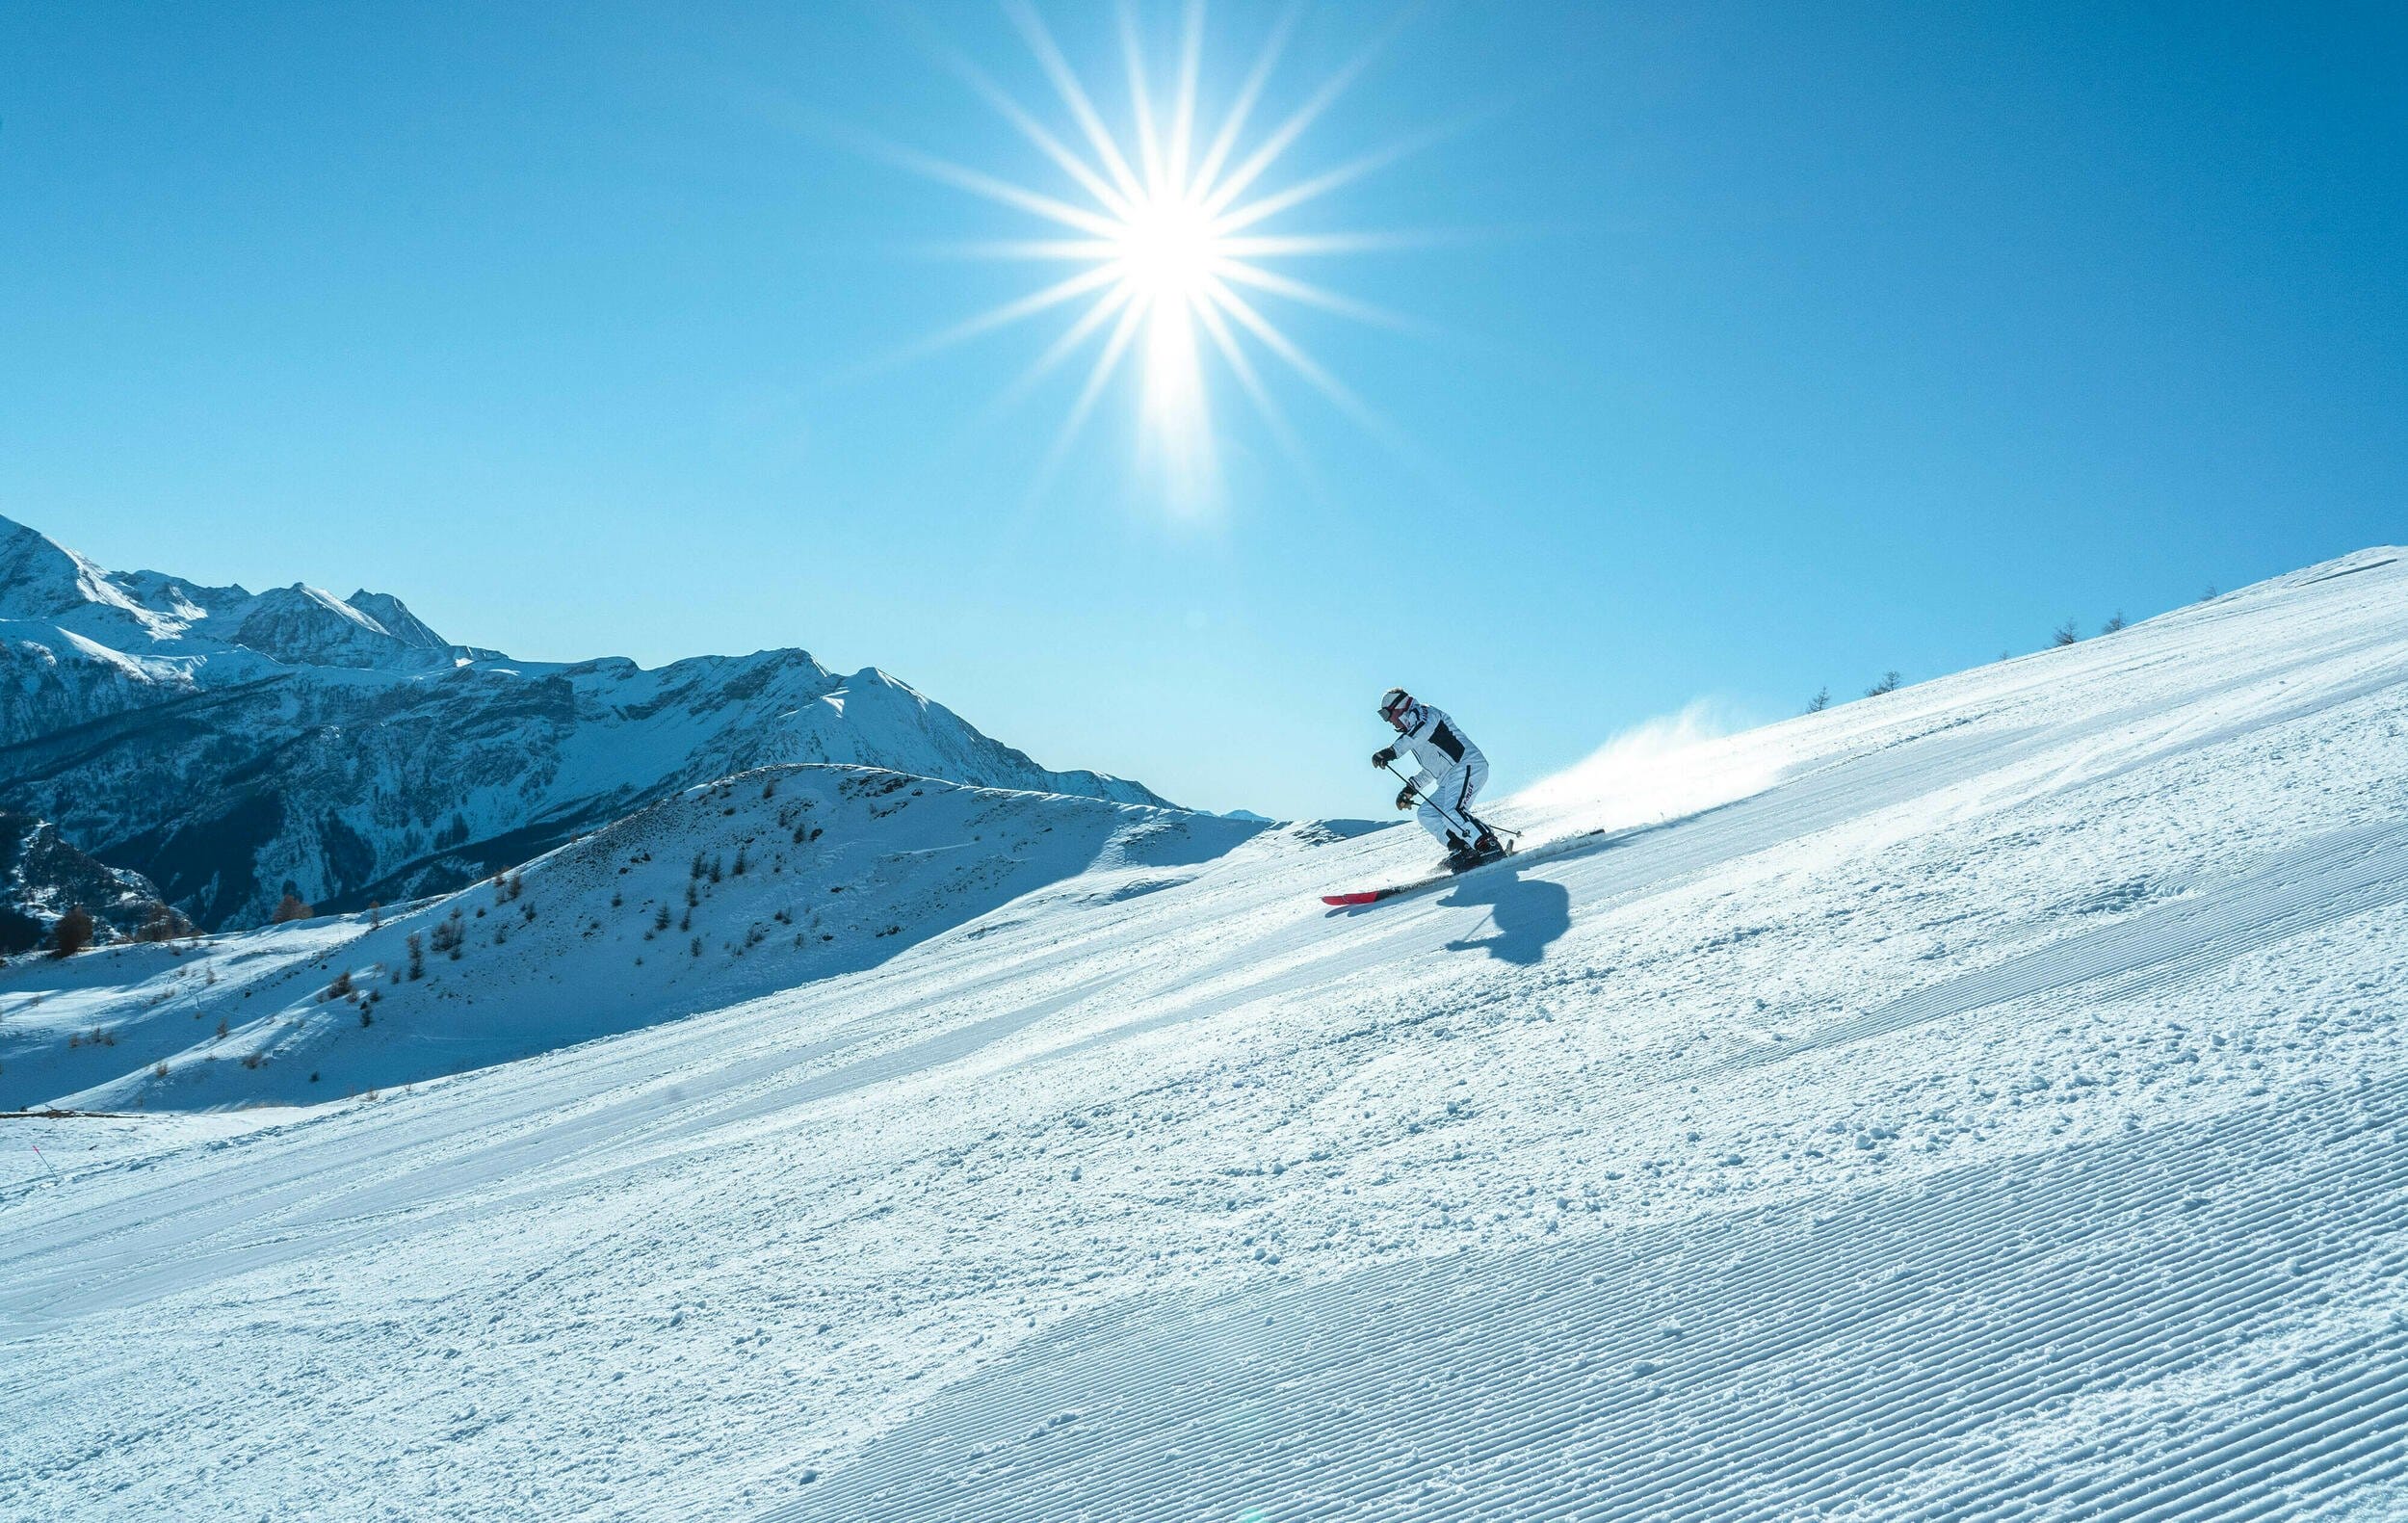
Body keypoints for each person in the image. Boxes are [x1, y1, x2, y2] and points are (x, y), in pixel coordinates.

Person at [1373, 687, 1503, 870]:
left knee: (1453, 811)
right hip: (1450, 777)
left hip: (1467, 765)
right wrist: (1410, 789)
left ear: (1399, 707)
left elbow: (1422, 730)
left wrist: (1392, 751)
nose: (1387, 720)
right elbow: (1432, 769)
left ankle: (1488, 844)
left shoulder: (1425, 714)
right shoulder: (1413, 735)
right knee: (1427, 813)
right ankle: (1463, 848)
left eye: (1386, 714)